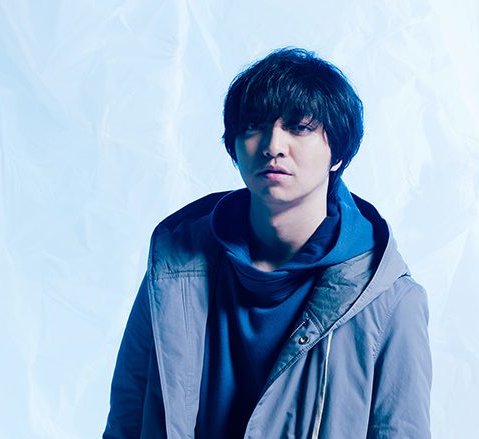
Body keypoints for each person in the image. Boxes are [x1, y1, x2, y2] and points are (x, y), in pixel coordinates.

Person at [103, 47, 431, 439]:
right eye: (254, 126)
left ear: (338, 154)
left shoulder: (388, 299)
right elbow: (127, 417)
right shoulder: (176, 266)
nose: (273, 145)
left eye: (299, 128)